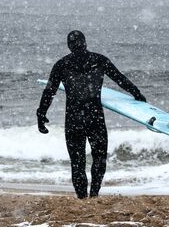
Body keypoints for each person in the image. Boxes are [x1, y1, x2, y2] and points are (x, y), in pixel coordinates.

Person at [37, 30, 146, 199]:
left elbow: (49, 92)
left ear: (69, 46)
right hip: (95, 116)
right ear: (85, 43)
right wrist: (138, 95)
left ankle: (82, 198)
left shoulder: (62, 64)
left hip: (74, 119)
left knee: (77, 163)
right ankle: (94, 195)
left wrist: (41, 115)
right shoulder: (99, 60)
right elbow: (120, 79)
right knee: (99, 158)